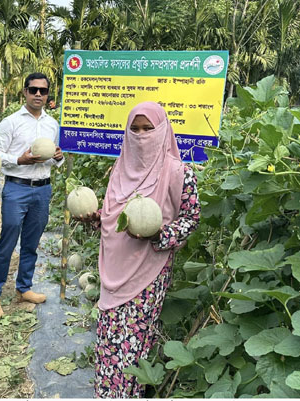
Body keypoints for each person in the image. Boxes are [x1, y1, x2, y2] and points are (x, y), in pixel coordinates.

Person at [74, 102, 200, 398]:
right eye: (135, 129)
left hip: (148, 270)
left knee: (132, 343)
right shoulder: (120, 167)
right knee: (108, 341)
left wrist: (159, 234)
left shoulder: (178, 171)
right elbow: (113, 221)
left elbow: (191, 218)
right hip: (113, 271)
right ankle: (106, 394)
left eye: (149, 128)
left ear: (163, 130)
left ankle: (127, 395)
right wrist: (96, 220)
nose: (142, 135)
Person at [0, 72, 64, 318]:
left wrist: (59, 158)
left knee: (31, 243)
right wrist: (20, 159)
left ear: (48, 94)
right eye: (33, 90)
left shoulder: (52, 124)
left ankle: (24, 288)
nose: (38, 94)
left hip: (43, 188)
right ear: (25, 92)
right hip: (16, 187)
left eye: (43, 90)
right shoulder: (11, 122)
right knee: (7, 243)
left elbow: (56, 158)